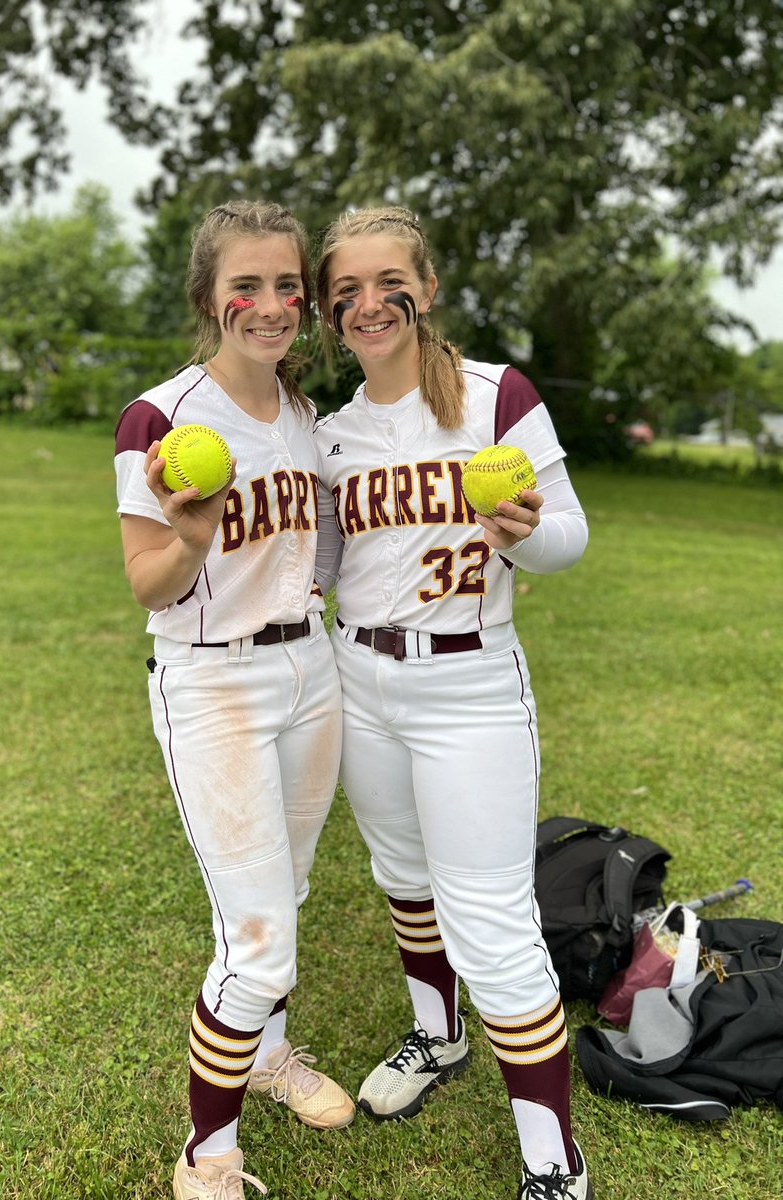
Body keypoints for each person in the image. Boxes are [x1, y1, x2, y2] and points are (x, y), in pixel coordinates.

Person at [312, 207, 593, 1200]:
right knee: (403, 877)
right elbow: (326, 567)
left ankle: (553, 1160)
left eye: (388, 281)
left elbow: (570, 536)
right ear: (330, 313)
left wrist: (519, 532)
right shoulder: (332, 431)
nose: (367, 301)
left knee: (491, 917)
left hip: (469, 681)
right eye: (344, 290)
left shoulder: (492, 396)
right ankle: (438, 1037)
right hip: (362, 678)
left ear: (426, 290)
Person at [114, 201, 354, 1200]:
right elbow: (147, 582)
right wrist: (197, 534)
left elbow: (325, 552)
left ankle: (267, 1054)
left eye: (286, 285)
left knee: (284, 898)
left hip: (312, 671)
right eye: (245, 287)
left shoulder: (303, 416)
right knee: (255, 938)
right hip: (213, 680)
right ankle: (207, 1155)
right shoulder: (160, 417)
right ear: (210, 297)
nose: (269, 305)